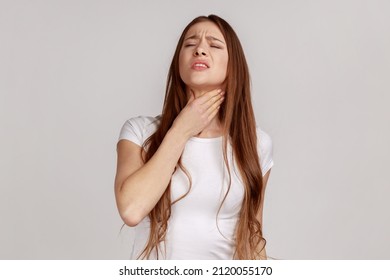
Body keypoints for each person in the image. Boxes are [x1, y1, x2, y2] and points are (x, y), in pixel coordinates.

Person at [114, 14, 274, 260]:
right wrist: (182, 129)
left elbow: (253, 236)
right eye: (190, 44)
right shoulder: (139, 132)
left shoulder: (256, 143)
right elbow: (132, 210)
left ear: (234, 66)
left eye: (214, 44)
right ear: (178, 63)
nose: (200, 49)